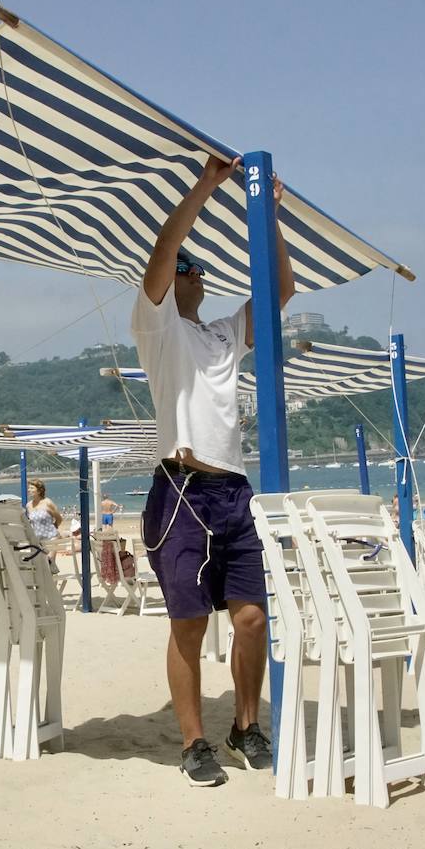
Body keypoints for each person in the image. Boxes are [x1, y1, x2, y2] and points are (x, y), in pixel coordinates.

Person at [132, 155, 290, 787]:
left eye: (195, 268)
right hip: (181, 488)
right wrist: (206, 185)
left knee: (251, 617)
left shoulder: (222, 334)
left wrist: (269, 215)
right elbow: (161, 251)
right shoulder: (157, 327)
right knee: (189, 623)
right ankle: (194, 741)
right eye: (185, 267)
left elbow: (280, 293)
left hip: (233, 489)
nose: (189, 271)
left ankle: (245, 725)